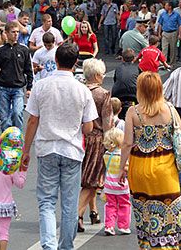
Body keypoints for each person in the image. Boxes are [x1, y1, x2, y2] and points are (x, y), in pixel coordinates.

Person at [21, 43, 98, 249]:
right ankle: (66, 245)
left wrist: (25, 150)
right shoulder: (82, 90)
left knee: (46, 202)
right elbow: (89, 127)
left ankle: (48, 245)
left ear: (55, 60)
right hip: (72, 150)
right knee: (69, 203)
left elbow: (32, 121)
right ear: (75, 63)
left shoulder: (41, 86)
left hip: (47, 148)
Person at [118, 71, 181, 249]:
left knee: (145, 215)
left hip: (140, 169)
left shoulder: (134, 112)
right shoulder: (170, 110)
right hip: (166, 170)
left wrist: (121, 169)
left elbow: (127, 143)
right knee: (170, 212)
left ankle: (148, 245)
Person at [76, 58, 114, 232]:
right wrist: (112, 142)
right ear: (98, 75)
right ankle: (77, 215)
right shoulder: (103, 94)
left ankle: (93, 211)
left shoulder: (79, 90)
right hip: (97, 139)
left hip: (78, 138)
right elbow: (108, 123)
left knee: (86, 177)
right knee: (93, 180)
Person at [0, 22, 33, 132]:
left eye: (17, 32)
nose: (16, 34)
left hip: (18, 88)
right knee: (4, 118)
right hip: (3, 87)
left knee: (17, 113)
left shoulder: (24, 50)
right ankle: (5, 142)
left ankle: (17, 140)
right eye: (13, 32)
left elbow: (29, 70)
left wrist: (29, 88)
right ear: (6, 33)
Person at [0, 139, 27, 250]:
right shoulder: (9, 170)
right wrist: (23, 171)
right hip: (6, 205)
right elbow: (20, 184)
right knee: (4, 232)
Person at [102, 128, 131, 236]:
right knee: (124, 205)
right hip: (121, 185)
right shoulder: (122, 155)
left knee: (110, 205)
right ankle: (123, 226)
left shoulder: (106, 155)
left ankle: (109, 226)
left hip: (109, 185)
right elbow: (126, 168)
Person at [111, 49, 140, 119]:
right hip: (133, 93)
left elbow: (115, 80)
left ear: (122, 59)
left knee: (114, 104)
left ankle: (114, 116)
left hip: (118, 92)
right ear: (133, 59)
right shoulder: (137, 68)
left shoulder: (118, 68)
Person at [158, 1, 181, 66]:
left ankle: (172, 63)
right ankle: (164, 63)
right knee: (164, 48)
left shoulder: (176, 15)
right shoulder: (163, 14)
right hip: (165, 32)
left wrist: (179, 34)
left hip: (173, 33)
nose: (165, 7)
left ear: (170, 7)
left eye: (166, 5)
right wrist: (159, 33)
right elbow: (160, 24)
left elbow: (180, 24)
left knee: (173, 48)